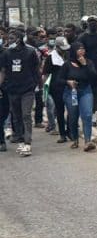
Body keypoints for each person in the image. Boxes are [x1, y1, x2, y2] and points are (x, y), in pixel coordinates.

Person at [0, 27, 42, 156]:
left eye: (13, 38)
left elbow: (36, 69)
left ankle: (27, 143)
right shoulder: (7, 54)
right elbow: (3, 71)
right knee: (16, 117)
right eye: (9, 38)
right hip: (13, 89)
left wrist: (37, 84)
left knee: (26, 115)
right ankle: (20, 142)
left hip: (27, 89)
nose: (10, 41)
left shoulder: (30, 52)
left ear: (19, 39)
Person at [61, 43, 97, 151]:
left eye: (83, 49)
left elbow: (94, 77)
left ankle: (87, 141)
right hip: (71, 92)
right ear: (73, 51)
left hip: (85, 90)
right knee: (73, 116)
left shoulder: (89, 62)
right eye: (79, 49)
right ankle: (75, 139)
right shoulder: (67, 64)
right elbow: (59, 79)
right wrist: (68, 82)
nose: (81, 51)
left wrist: (85, 65)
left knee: (87, 115)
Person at [77, 15, 97, 129]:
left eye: (94, 21)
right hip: (89, 68)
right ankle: (94, 118)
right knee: (93, 93)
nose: (93, 23)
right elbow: (80, 53)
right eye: (90, 21)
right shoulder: (82, 37)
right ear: (87, 24)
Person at [42, 36, 72, 143]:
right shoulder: (51, 58)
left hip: (69, 85)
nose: (64, 51)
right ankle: (62, 134)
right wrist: (45, 88)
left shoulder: (68, 55)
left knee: (71, 110)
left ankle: (70, 131)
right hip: (56, 87)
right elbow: (45, 74)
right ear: (57, 47)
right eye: (62, 49)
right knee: (60, 110)